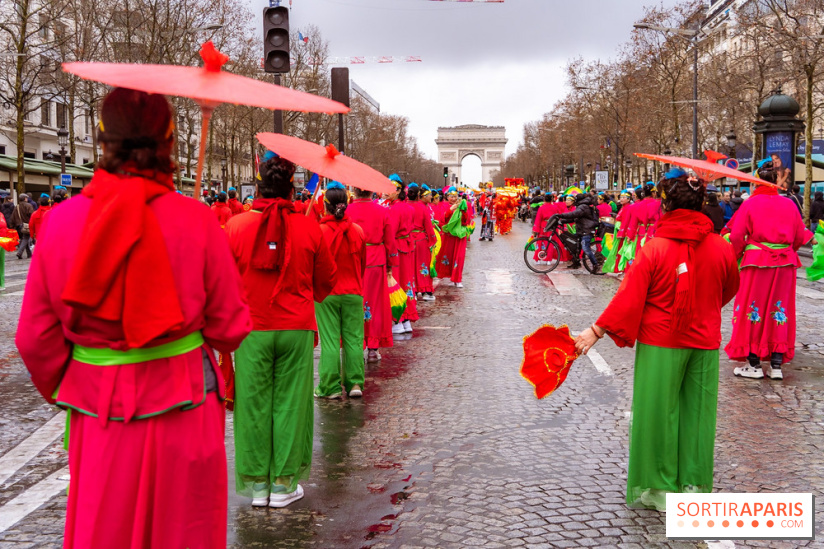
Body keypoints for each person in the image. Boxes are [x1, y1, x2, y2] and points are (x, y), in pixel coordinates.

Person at [16, 87, 252, 548]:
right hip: (186, 406)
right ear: (168, 142)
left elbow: (34, 338)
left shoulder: (60, 222)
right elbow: (230, 329)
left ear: (102, 139)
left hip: (98, 414)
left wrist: (80, 383)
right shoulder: (197, 219)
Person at [574, 167, 740, 511]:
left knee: (658, 412)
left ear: (665, 206)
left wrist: (596, 330)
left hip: (661, 341)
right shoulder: (721, 248)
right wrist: (703, 310)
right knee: (699, 414)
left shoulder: (654, 248)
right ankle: (693, 485)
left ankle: (662, 488)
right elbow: (728, 289)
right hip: (705, 339)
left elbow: (629, 296)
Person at [225, 155, 336, 508]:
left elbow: (221, 281)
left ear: (257, 186)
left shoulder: (235, 226)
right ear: (292, 187)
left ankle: (258, 486)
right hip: (295, 327)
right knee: (291, 404)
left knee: (253, 405)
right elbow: (326, 282)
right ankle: (284, 484)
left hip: (251, 328)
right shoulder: (309, 227)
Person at [724, 161, 814, 380]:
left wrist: (738, 253)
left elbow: (736, 236)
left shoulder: (751, 204)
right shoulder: (790, 205)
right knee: (779, 309)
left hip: (756, 262)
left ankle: (753, 363)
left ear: (756, 182)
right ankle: (776, 365)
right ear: (776, 181)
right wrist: (786, 250)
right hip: (785, 265)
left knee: (752, 308)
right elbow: (799, 237)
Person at [314, 182, 367, 399]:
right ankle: (355, 384)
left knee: (330, 341)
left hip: (327, 294)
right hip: (353, 291)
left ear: (325, 206)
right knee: (354, 339)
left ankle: (330, 387)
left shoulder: (317, 232)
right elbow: (363, 263)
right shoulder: (358, 231)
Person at [348, 186, 398, 362]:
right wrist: (391, 264)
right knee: (375, 304)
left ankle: (355, 345)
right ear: (371, 192)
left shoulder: (347, 210)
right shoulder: (382, 211)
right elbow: (390, 241)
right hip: (376, 261)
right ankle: (373, 348)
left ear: (354, 191)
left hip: (352, 260)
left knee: (354, 303)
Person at [385, 174, 417, 334]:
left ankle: (397, 320)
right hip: (408, 247)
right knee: (406, 283)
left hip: (396, 249)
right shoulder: (408, 208)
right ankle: (407, 320)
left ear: (398, 191)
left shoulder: (392, 210)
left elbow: (390, 234)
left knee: (395, 285)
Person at [552, 192, 602, 273]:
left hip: (586, 230)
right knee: (574, 246)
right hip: (582, 230)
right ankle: (576, 262)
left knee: (586, 248)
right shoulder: (583, 206)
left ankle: (596, 264)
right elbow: (575, 218)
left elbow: (574, 214)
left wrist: (561, 215)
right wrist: (562, 221)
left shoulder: (583, 207)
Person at [407, 183, 437, 301]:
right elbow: (428, 226)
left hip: (407, 240)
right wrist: (432, 240)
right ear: (419, 195)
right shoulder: (422, 208)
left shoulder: (404, 206)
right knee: (423, 266)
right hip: (420, 240)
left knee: (410, 267)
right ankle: (425, 291)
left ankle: (412, 292)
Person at [436, 187, 470, 288]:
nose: (453, 198)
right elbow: (441, 219)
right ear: (447, 197)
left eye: (455, 196)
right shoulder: (444, 206)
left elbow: (466, 221)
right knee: (448, 256)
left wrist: (463, 211)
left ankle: (457, 279)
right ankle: (449, 276)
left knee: (459, 257)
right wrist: (451, 210)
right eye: (451, 196)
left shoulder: (462, 206)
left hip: (459, 236)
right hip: (448, 236)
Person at [10, 193, 33, 259]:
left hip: (18, 226)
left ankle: (29, 254)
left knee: (25, 239)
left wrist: (11, 226)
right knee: (25, 238)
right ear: (25, 198)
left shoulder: (17, 206)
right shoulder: (28, 206)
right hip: (26, 225)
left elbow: (13, 217)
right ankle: (19, 252)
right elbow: (32, 215)